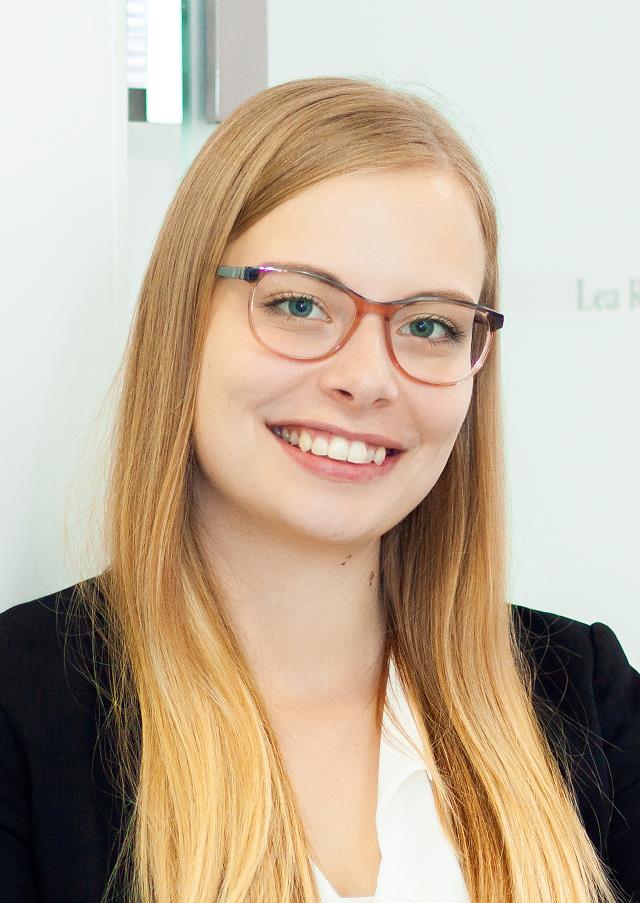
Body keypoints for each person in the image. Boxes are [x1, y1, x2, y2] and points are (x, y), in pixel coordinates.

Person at [0, 76, 638, 903]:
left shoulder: (584, 695)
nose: (367, 378)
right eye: (300, 303)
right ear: (183, 321)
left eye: (430, 324)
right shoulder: (23, 716)